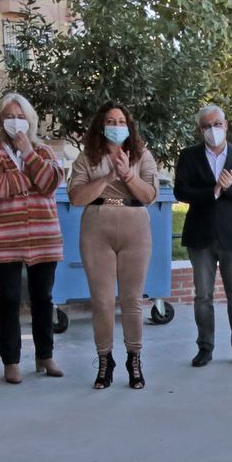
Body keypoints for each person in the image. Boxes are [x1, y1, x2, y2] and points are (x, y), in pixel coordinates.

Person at [66, 102, 158, 390]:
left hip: (135, 228)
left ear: (128, 126)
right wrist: (107, 177)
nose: (116, 126)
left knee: (132, 301)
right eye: (110, 120)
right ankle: (105, 359)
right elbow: (77, 197)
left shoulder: (141, 155)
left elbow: (150, 195)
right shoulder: (87, 158)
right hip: (96, 228)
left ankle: (134, 358)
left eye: (121, 121)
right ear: (101, 125)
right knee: (102, 302)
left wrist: (128, 175)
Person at [0, 92, 65, 384]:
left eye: (20, 116)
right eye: (9, 116)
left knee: (43, 298)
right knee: (9, 299)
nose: (15, 121)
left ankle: (45, 355)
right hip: (5, 237)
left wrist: (27, 153)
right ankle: (11, 361)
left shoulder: (42, 150)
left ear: (30, 121)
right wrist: (30, 178)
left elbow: (51, 182)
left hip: (44, 236)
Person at [176, 104, 232, 368]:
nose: (213, 130)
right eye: (206, 126)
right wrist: (212, 191)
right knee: (202, 297)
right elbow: (181, 191)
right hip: (199, 236)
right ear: (200, 129)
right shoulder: (188, 156)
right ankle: (205, 348)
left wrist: (231, 187)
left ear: (226, 125)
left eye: (217, 124)